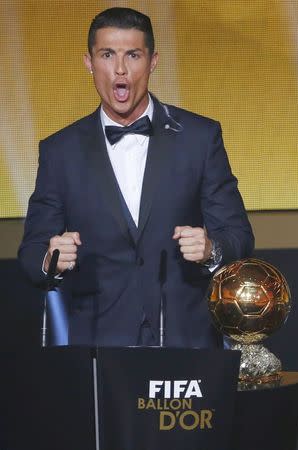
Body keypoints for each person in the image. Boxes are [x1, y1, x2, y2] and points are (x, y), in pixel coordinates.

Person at [18, 7, 254, 347]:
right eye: (107, 54)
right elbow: (31, 252)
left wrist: (211, 249)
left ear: (153, 61)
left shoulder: (200, 138)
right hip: (100, 347)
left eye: (133, 55)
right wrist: (48, 259)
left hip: (186, 342)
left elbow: (239, 236)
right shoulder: (60, 151)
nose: (119, 69)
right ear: (89, 62)